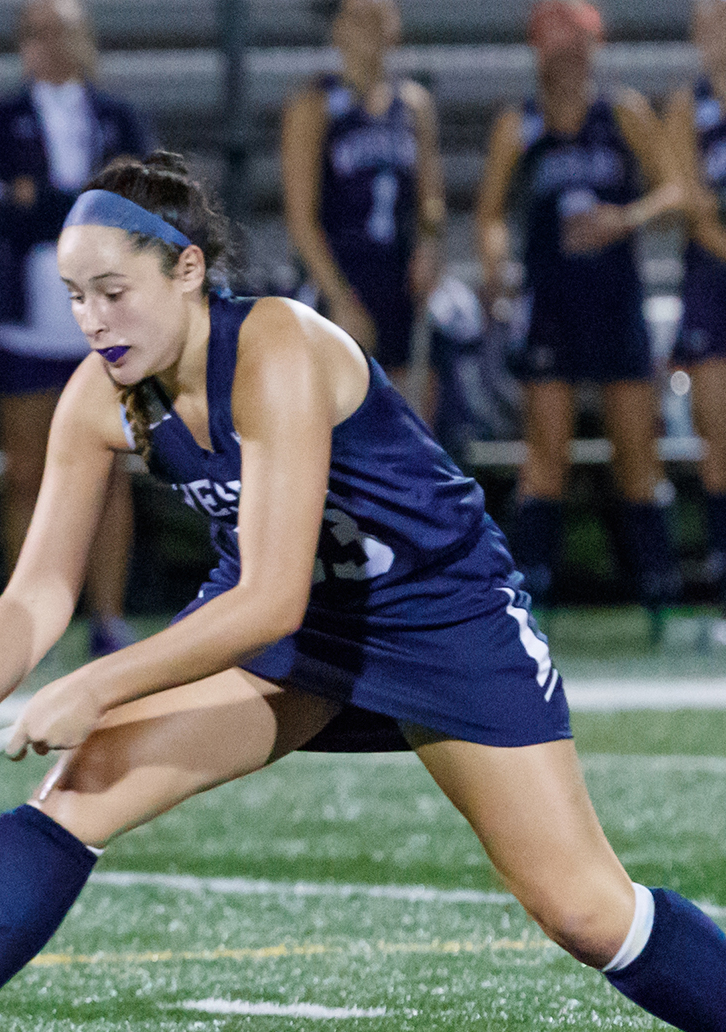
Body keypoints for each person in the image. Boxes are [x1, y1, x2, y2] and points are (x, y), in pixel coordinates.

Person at [0, 153, 726, 1032]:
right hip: (292, 633)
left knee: (582, 909)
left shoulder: (276, 347)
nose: (92, 322)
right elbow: (36, 595)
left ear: (187, 269)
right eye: (74, 296)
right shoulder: (100, 398)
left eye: (113, 291)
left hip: (437, 615)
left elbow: (265, 592)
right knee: (87, 780)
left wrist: (95, 680)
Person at [475, 0, 685, 638]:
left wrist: (623, 219)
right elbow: (489, 212)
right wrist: (496, 263)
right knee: (546, 455)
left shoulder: (622, 113)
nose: (565, 55)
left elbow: (674, 189)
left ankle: (660, 601)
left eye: (575, 42)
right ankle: (531, 598)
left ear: (593, 46)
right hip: (553, 305)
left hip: (615, 299)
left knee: (636, 452)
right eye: (554, 42)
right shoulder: (522, 123)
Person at [0, 0, 153, 655]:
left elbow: (136, 205)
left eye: (59, 32)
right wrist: (75, 204)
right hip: (26, 319)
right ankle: (30, 620)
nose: (46, 46)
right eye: (35, 34)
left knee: (111, 470)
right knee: (25, 470)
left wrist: (43, 201)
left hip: (103, 320)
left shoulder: (114, 114)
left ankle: (107, 615)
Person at [280, 0, 444, 417]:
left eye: (379, 17)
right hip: (339, 278)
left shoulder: (413, 105)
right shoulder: (314, 105)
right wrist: (340, 298)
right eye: (358, 19)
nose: (370, 29)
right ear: (337, 30)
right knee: (339, 421)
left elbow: (431, 201)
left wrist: (429, 245)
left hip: (399, 280)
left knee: (411, 420)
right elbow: (301, 219)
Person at [665, 0, 726, 639]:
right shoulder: (688, 106)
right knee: (719, 450)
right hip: (712, 290)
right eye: (707, 26)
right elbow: (693, 206)